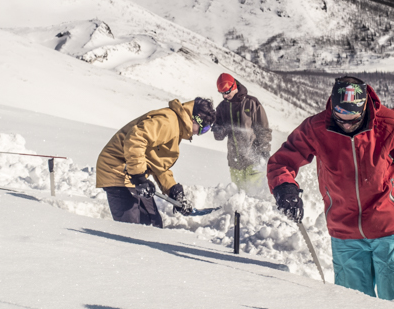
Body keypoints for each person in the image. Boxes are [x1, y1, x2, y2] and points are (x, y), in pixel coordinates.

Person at [267, 76, 394, 308]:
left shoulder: (392, 123)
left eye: (352, 118)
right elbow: (282, 161)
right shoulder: (317, 128)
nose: (346, 124)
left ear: (364, 106)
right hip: (344, 230)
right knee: (352, 305)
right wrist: (284, 187)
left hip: (391, 227)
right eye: (341, 116)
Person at [96, 97, 215, 227]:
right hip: (116, 169)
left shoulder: (176, 127)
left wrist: (173, 190)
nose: (199, 134)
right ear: (194, 119)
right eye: (203, 129)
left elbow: (156, 161)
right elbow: (135, 138)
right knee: (131, 229)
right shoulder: (168, 122)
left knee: (153, 224)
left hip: (131, 172)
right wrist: (139, 177)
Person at [211, 73, 272, 190]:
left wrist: (264, 152)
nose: (224, 96)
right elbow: (218, 136)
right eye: (222, 93)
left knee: (255, 198)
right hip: (235, 163)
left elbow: (263, 130)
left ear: (234, 86)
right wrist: (219, 130)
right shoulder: (222, 107)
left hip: (254, 161)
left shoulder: (252, 103)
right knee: (238, 200)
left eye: (226, 92)